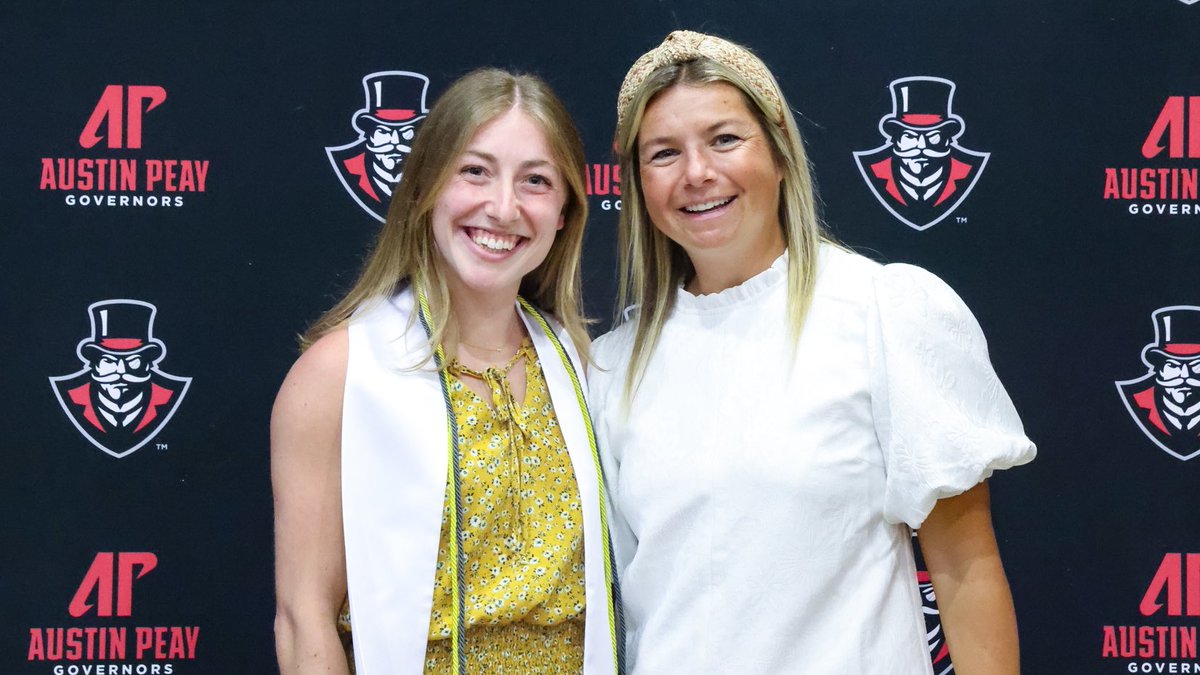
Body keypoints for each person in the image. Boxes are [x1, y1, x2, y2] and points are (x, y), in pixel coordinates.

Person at [588, 31, 1036, 674]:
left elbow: (967, 570)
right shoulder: (613, 366)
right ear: (634, 179)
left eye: (724, 139)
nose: (697, 174)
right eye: (663, 153)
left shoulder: (882, 312)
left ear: (777, 150)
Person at [272, 68, 621, 674]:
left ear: (565, 210)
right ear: (426, 186)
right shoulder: (340, 375)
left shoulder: (585, 369)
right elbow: (305, 616)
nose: (503, 207)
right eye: (474, 171)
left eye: (535, 181)